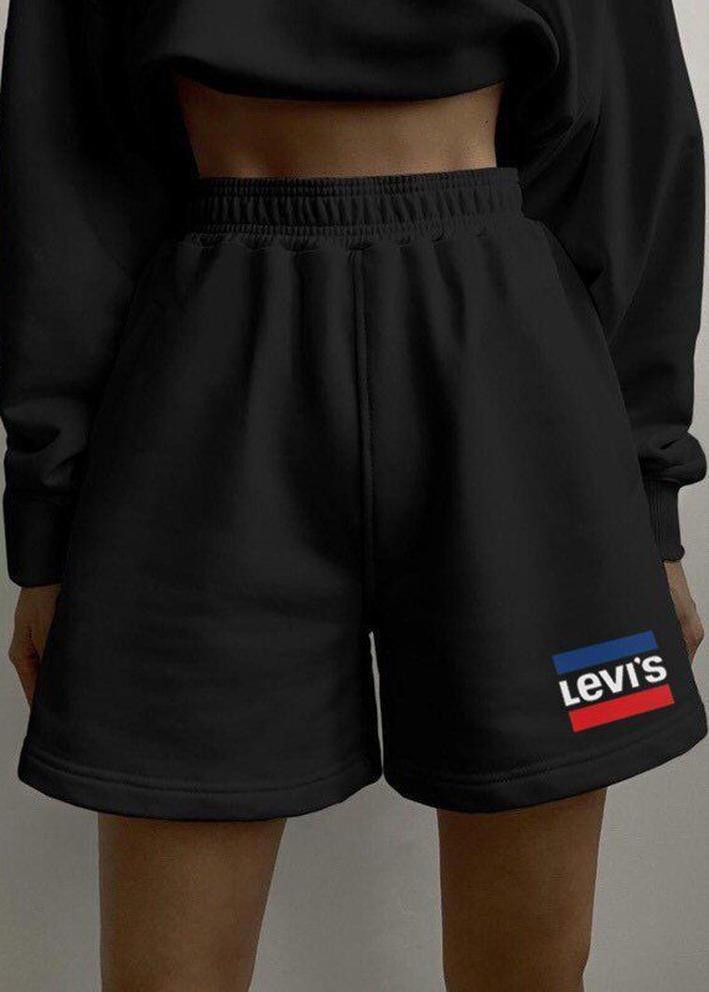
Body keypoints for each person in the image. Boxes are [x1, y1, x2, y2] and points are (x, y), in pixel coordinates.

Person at [1, 2, 705, 990]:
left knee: (531, 971)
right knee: (166, 975)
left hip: (506, 379)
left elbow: (633, 165)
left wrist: (650, 508)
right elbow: (59, 176)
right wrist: (48, 527)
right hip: (210, 384)